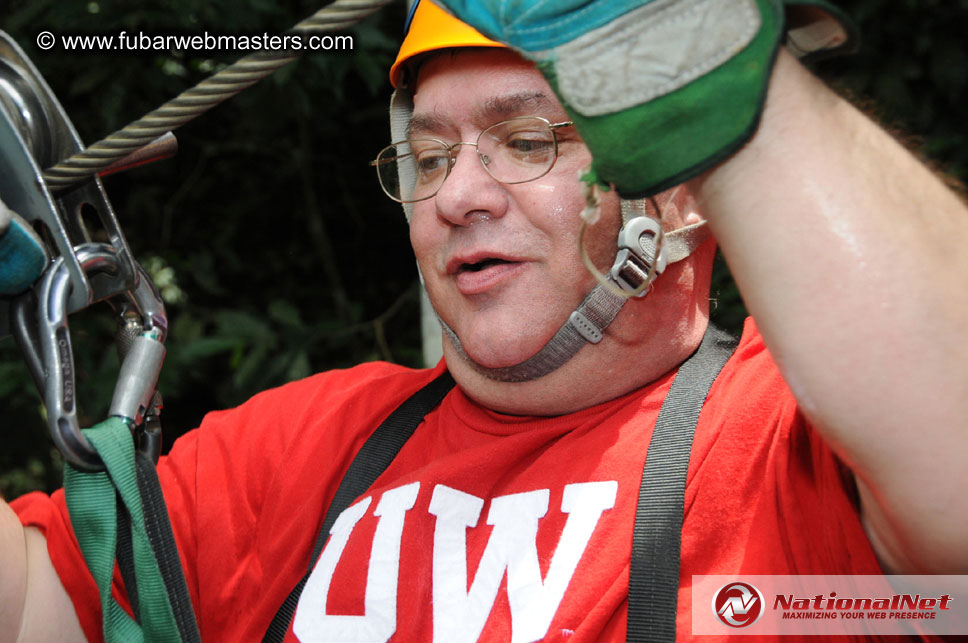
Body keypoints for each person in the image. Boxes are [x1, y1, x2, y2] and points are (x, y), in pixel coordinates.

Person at [3, 0, 967, 641]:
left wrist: (714, 79)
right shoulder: (301, 451)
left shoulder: (786, 450)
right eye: (429, 158)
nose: (458, 193)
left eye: (525, 140)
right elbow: (31, 607)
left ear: (680, 195)